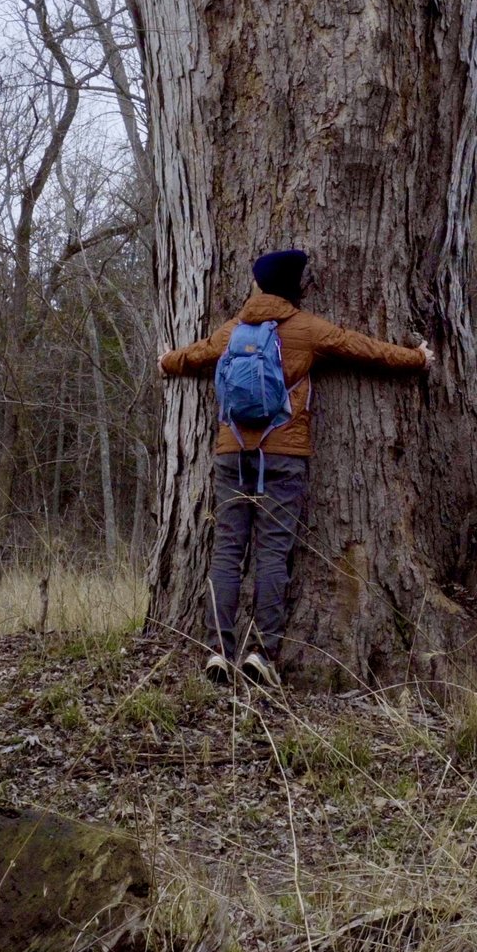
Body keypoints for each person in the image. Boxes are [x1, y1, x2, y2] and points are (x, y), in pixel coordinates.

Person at [158, 248, 431, 686]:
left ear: (260, 285)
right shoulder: (306, 329)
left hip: (231, 453)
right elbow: (364, 349)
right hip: (282, 456)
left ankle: (217, 652)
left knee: (228, 550)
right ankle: (262, 653)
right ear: (295, 287)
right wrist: (416, 358)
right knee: (271, 553)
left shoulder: (233, 330)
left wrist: (166, 361)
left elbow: (197, 354)